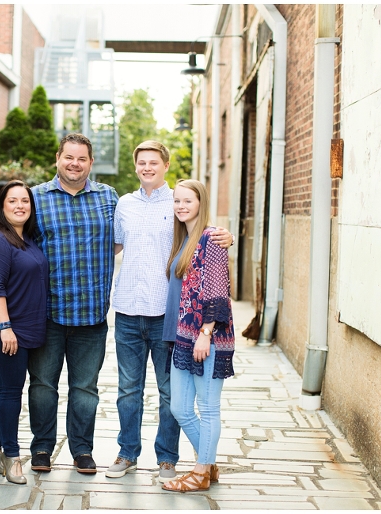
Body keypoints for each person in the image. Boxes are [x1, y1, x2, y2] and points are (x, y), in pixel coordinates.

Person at [0, 133, 119, 474]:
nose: (75, 163)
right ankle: (41, 449)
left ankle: (82, 450)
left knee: (85, 389)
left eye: (82, 158)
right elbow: (7, 231)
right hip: (45, 316)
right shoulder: (36, 197)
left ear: (90, 163)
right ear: (58, 158)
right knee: (42, 388)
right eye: (69, 157)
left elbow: (137, 233)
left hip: (91, 313)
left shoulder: (108, 198)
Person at [106, 141, 233, 483]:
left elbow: (203, 239)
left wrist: (225, 236)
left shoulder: (178, 202)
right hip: (129, 309)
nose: (147, 168)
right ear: (136, 167)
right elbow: (115, 245)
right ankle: (127, 452)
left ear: (165, 165)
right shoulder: (124, 205)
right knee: (128, 389)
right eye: (141, 163)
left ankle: (167, 458)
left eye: (154, 162)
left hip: (169, 316)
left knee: (169, 393)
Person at [0, 180, 49, 485]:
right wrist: (5, 327)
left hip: (19, 325)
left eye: (24, 201)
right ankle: (12, 457)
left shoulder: (24, 237)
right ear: (1, 207)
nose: (19, 206)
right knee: (9, 389)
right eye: (12, 201)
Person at [161, 179, 235, 493]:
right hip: (183, 336)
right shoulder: (184, 239)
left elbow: (218, 293)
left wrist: (206, 333)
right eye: (176, 201)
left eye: (187, 201)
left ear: (200, 203)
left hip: (207, 337)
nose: (180, 206)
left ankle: (201, 471)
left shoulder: (212, 239)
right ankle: (208, 461)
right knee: (179, 407)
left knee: (207, 407)